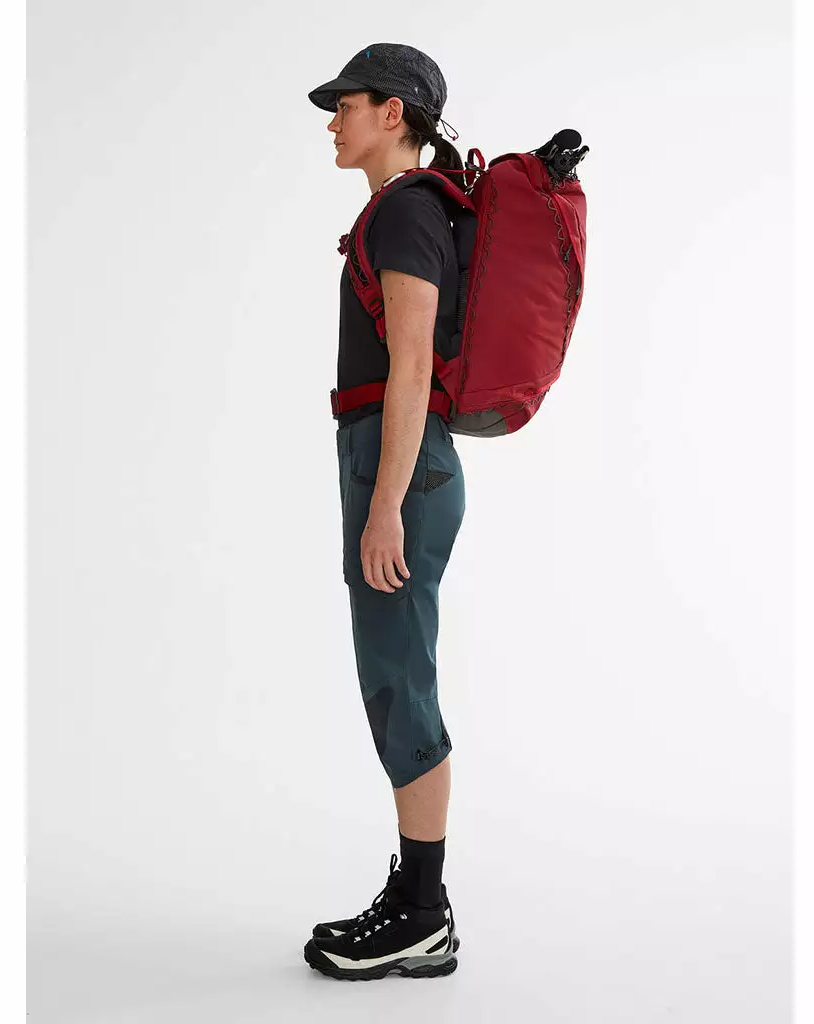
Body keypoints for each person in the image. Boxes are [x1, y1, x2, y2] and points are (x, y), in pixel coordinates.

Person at [303, 43, 467, 981]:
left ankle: (421, 912)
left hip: (399, 468)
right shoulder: (399, 210)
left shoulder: (406, 212)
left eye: (347, 104)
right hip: (390, 459)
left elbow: (410, 367)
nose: (334, 121)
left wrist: (385, 507)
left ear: (394, 112)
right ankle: (416, 898)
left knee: (401, 681)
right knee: (393, 675)